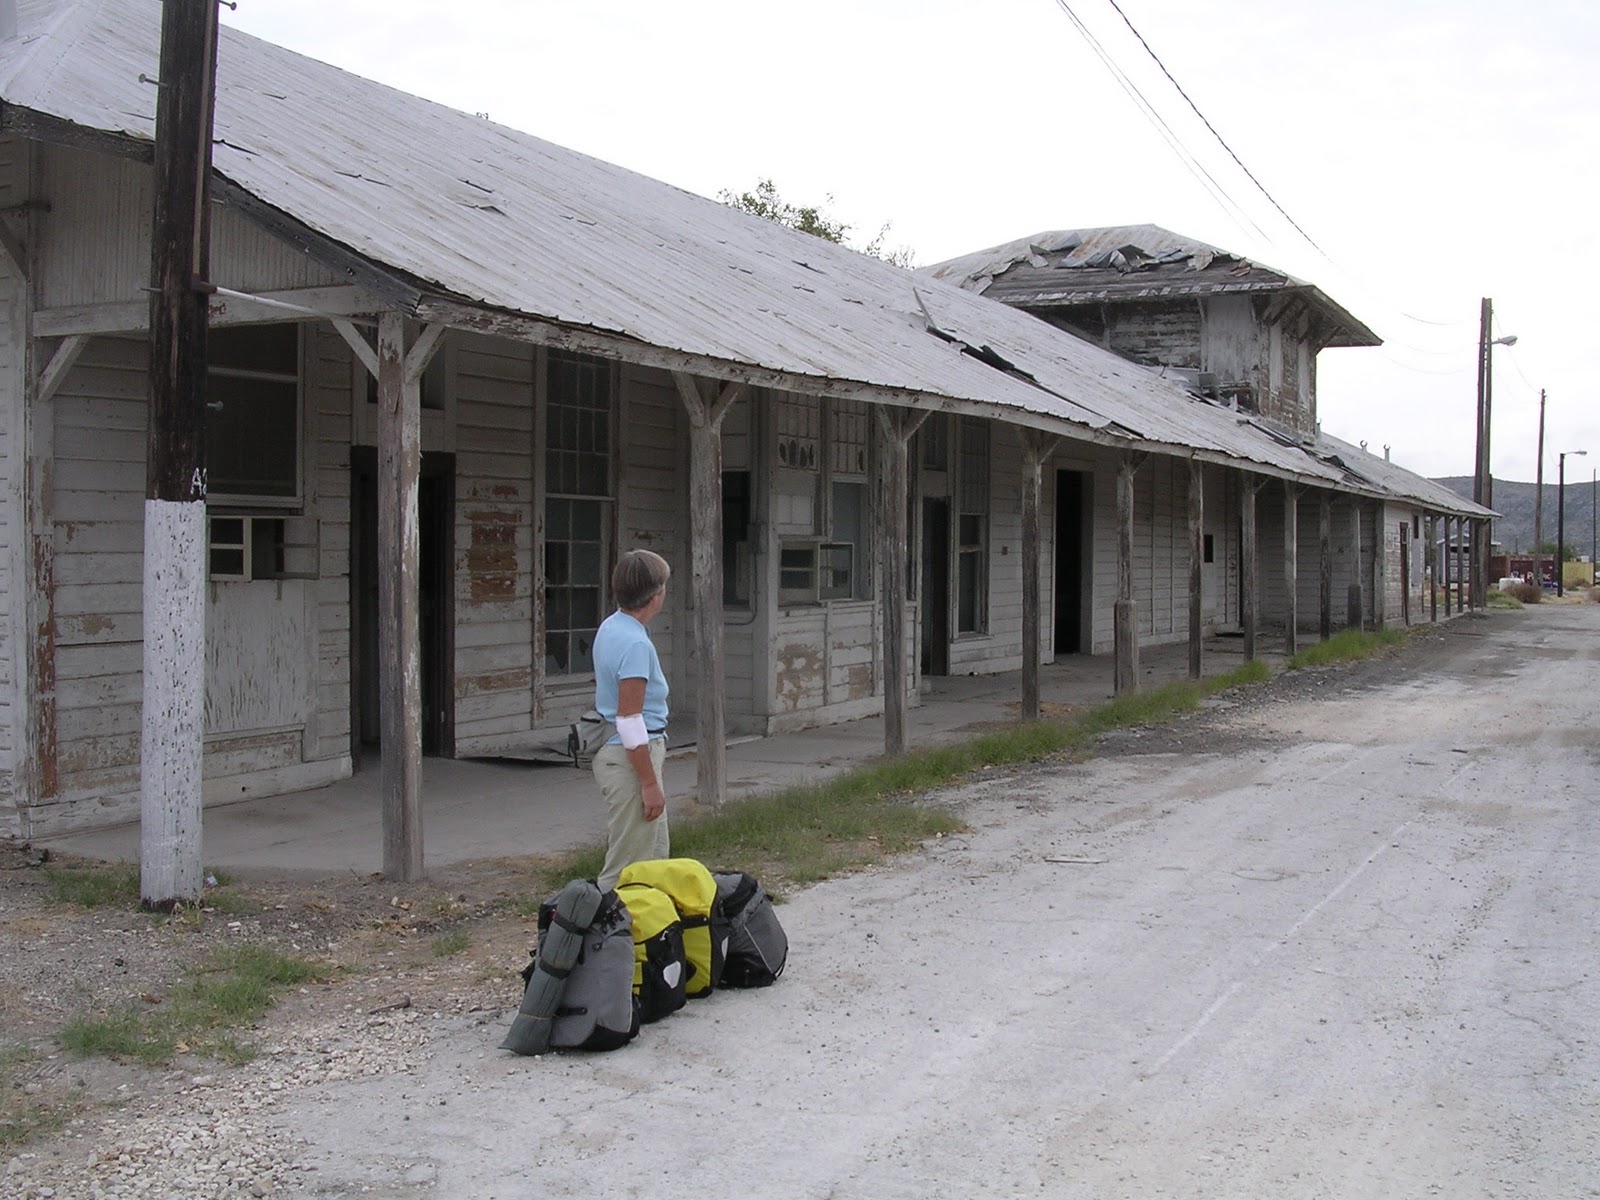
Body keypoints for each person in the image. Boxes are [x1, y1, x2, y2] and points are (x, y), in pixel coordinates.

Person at [591, 549, 672, 891]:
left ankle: (649, 935)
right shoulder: (636, 644)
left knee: (654, 854)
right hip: (632, 756)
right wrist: (649, 783)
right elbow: (629, 719)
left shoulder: (613, 627)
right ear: (656, 596)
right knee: (627, 866)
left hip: (626, 753)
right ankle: (604, 935)